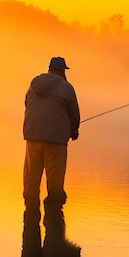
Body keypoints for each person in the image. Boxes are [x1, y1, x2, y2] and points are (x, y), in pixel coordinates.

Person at [23, 56, 80, 217]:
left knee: (31, 174)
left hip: (32, 135)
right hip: (56, 139)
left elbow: (27, 104)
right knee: (55, 176)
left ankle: (30, 207)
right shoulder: (66, 87)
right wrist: (73, 129)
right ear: (62, 70)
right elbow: (74, 112)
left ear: (49, 69)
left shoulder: (33, 85)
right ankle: (54, 212)